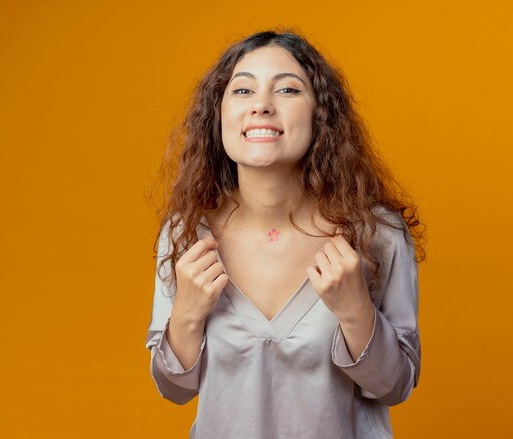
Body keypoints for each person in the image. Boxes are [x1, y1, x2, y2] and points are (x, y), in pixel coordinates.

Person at [145, 29, 426, 439]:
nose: (261, 106)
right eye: (242, 91)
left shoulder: (376, 235)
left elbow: (396, 386)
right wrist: (186, 314)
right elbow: (174, 390)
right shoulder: (184, 234)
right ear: (218, 115)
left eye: (288, 90)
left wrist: (355, 310)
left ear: (320, 114)